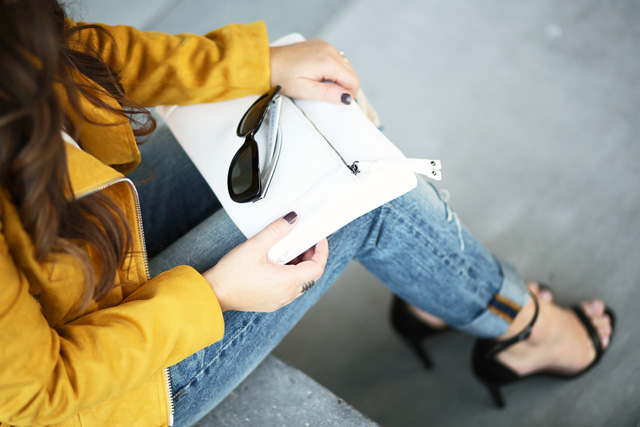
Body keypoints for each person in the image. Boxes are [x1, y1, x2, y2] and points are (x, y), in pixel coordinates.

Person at [0, 0, 614, 425]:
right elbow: (36, 394)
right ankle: (522, 326)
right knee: (356, 201)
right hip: (100, 397)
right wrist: (215, 295)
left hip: (73, 267)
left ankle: (439, 286)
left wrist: (260, 63)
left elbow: (63, 56)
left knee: (308, 118)